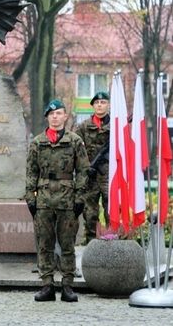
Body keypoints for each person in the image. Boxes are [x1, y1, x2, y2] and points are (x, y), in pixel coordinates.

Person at [25, 99, 89, 302]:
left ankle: (68, 286)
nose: (55, 117)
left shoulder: (75, 141)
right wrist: (30, 198)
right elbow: (31, 172)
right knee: (44, 243)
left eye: (59, 113)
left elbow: (83, 171)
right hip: (43, 199)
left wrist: (80, 198)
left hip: (67, 199)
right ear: (47, 117)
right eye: (51, 114)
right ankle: (47, 285)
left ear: (65, 116)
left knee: (67, 243)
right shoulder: (37, 142)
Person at [75, 91, 110, 244]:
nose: (100, 105)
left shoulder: (115, 126)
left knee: (112, 210)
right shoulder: (83, 126)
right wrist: (85, 167)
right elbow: (76, 149)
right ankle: (90, 243)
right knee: (89, 212)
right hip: (91, 175)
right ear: (93, 106)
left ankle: (113, 241)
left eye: (103, 102)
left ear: (108, 105)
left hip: (110, 175)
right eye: (97, 103)